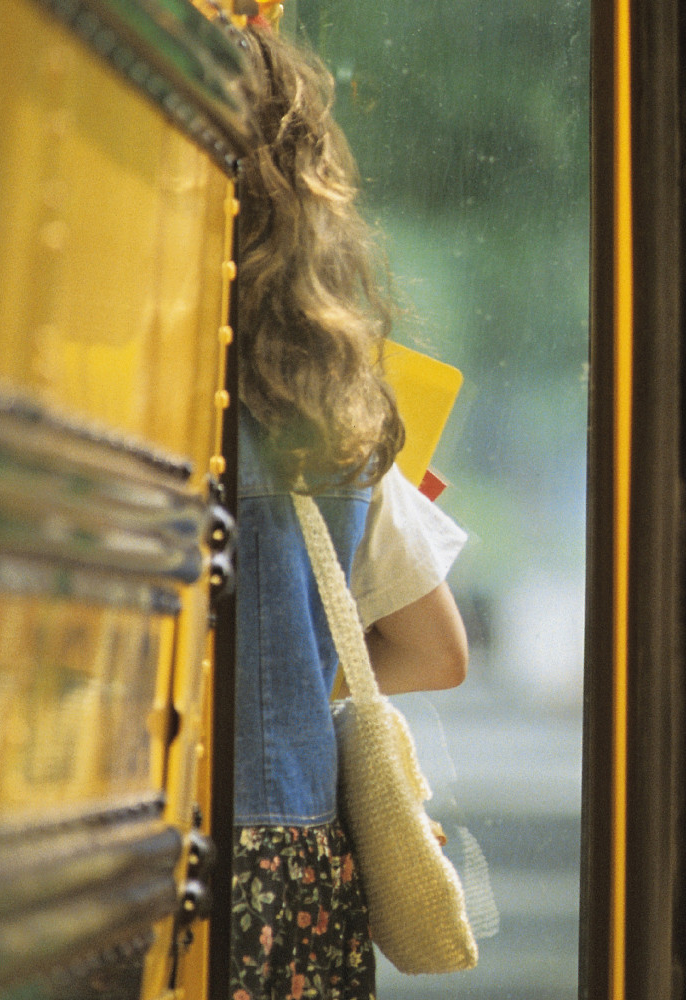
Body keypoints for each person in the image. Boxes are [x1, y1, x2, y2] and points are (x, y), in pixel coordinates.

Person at [228, 21, 469, 1000]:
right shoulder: (331, 408)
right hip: (296, 871)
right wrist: (290, 691)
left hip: (136, 848)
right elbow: (435, 650)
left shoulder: (112, 391)